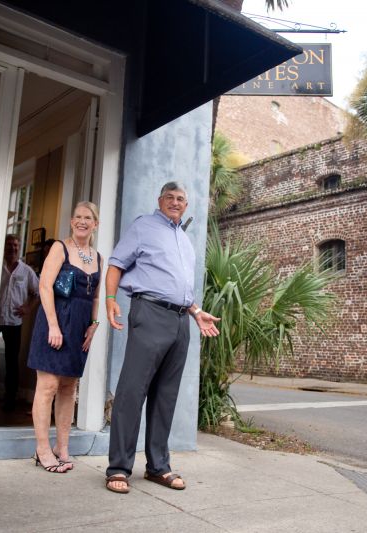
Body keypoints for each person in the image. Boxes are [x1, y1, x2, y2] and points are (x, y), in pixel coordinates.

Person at [104, 182, 220, 494]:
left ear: (186, 205)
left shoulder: (184, 238)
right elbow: (116, 264)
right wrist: (110, 299)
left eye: (181, 199)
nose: (175, 202)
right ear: (160, 200)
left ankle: (158, 466)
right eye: (170, 197)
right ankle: (118, 468)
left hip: (182, 321)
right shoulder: (144, 226)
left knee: (165, 396)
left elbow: (178, 287)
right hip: (150, 313)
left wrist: (197, 312)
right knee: (132, 391)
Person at [27, 201, 102, 473]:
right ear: (72, 222)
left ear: (95, 224)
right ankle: (42, 449)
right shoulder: (60, 248)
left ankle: (62, 447)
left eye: (88, 218)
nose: (82, 221)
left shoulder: (97, 257)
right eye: (78, 217)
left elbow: (94, 296)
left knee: (69, 387)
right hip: (55, 321)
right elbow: (45, 286)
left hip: (79, 328)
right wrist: (53, 326)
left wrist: (94, 323)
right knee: (47, 386)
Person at [0, 234, 39, 413]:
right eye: (9, 245)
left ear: (19, 247)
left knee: (11, 362)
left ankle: (9, 400)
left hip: (14, 322)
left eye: (15, 245)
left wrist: (28, 308)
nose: (12, 248)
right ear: (3, 247)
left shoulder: (26, 271)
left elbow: (37, 292)